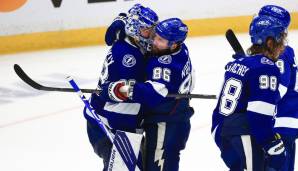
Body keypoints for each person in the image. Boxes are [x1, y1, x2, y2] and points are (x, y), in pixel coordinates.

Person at [108, 18, 195, 171]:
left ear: (173, 44)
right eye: (156, 36)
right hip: (172, 118)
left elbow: (149, 93)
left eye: (160, 40)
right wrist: (123, 20)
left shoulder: (165, 65)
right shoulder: (180, 47)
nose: (154, 41)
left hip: (167, 124)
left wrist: (116, 90)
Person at [83, 4, 158, 170]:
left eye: (153, 30)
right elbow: (123, 102)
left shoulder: (128, 39)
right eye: (147, 30)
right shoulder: (130, 59)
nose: (152, 35)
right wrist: (132, 133)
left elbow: (124, 19)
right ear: (135, 29)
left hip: (111, 118)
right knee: (120, 167)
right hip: (109, 123)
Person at [211, 15, 287, 171]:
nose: (283, 46)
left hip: (223, 131)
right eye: (280, 41)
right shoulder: (266, 68)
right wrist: (270, 143)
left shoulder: (239, 63)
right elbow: (259, 115)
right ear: (270, 42)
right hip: (242, 134)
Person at [259, 5, 298, 171]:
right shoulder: (276, 50)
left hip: (282, 121)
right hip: (284, 119)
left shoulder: (281, 53)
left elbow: (279, 88)